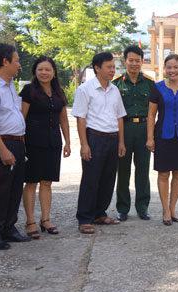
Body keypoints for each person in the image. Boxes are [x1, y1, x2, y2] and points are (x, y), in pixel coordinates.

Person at [72, 52, 127, 234]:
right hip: (94, 138)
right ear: (97, 68)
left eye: (113, 67)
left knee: (108, 179)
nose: (113, 70)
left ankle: (99, 213)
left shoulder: (115, 90)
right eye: (109, 67)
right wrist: (84, 144)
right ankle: (85, 218)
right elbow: (80, 118)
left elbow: (119, 117)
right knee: (91, 179)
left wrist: (121, 142)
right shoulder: (85, 89)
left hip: (112, 138)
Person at [20, 56, 71, 239]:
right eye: (40, 69)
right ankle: (30, 221)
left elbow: (63, 119)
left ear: (54, 72)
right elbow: (22, 117)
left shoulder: (58, 92)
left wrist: (68, 142)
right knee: (31, 181)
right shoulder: (29, 91)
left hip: (53, 142)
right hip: (33, 142)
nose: (44, 73)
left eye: (47, 69)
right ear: (35, 71)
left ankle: (46, 219)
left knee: (47, 182)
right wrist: (22, 142)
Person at [147, 54, 178, 225]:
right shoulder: (157, 88)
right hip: (163, 136)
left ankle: (173, 207)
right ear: (164, 69)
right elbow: (151, 115)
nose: (172, 70)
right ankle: (165, 210)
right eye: (169, 67)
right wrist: (150, 138)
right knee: (164, 173)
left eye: (176, 67)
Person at [112, 46, 155, 221]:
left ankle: (142, 207)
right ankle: (123, 208)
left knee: (143, 169)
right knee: (122, 170)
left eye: (138, 60)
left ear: (142, 61)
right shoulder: (116, 84)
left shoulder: (150, 83)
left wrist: (152, 135)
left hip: (144, 128)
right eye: (131, 60)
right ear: (125, 61)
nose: (134, 63)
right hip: (125, 129)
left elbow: (154, 110)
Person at [0, 43, 31, 250]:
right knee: (1, 190)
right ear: (5, 61)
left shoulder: (10, 85)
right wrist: (2, 149)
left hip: (18, 142)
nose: (19, 65)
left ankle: (9, 228)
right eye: (16, 60)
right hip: (4, 143)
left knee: (14, 188)